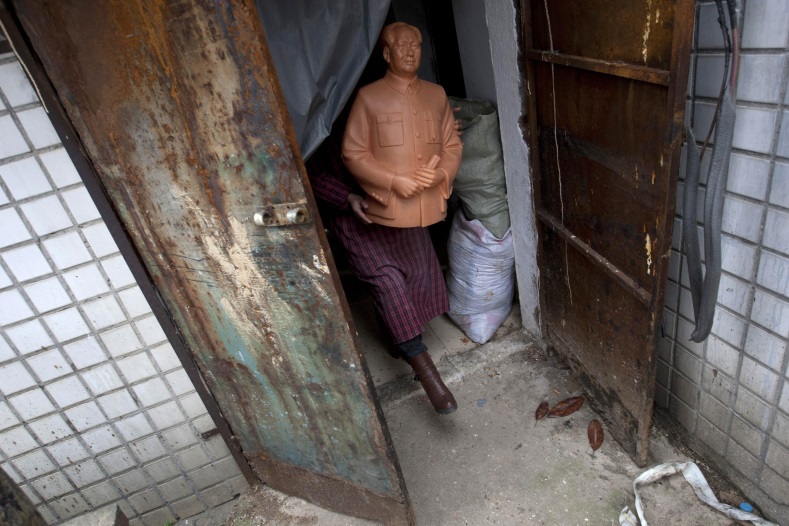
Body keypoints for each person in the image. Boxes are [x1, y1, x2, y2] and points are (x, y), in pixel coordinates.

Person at [309, 21, 462, 414]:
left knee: (421, 276)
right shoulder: (320, 124)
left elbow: (442, 140)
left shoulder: (409, 99)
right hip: (360, 215)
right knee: (389, 283)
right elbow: (313, 173)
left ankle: (397, 337)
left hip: (402, 213)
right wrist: (347, 196)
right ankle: (426, 372)